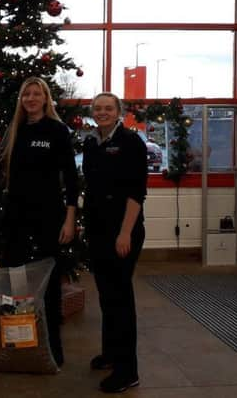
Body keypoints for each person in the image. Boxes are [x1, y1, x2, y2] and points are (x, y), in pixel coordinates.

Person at [0, 76, 78, 367]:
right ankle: (17, 346)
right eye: (26, 95)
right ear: (21, 100)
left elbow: (71, 179)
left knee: (49, 286)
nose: (31, 99)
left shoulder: (57, 131)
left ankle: (53, 351)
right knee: (13, 280)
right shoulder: (17, 130)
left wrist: (70, 220)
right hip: (16, 217)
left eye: (36, 94)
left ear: (46, 99)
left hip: (49, 217)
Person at [82, 92, 147, 393]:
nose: (103, 112)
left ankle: (127, 370)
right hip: (98, 231)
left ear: (119, 112)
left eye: (109, 108)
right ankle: (111, 354)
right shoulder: (91, 143)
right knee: (106, 295)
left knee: (120, 300)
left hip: (123, 231)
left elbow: (136, 193)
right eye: (98, 108)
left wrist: (125, 233)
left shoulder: (132, 143)